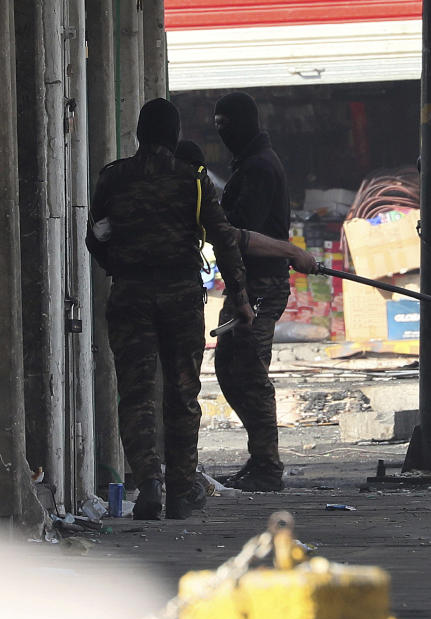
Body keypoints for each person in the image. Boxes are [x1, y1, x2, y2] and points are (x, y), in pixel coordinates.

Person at [87, 101, 315, 520]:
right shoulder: (191, 180)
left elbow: (94, 236)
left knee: (137, 393)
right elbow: (225, 240)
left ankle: (149, 482)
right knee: (182, 393)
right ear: (175, 137)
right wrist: (242, 298)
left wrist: (120, 267)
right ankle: (179, 491)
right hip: (180, 298)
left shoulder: (113, 178)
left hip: (131, 296)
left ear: (139, 135)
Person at [213, 92, 293, 492]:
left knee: (249, 370)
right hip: (245, 283)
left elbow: (242, 232)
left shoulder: (259, 168)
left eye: (226, 123)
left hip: (262, 283)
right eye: (217, 125)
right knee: (228, 367)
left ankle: (268, 465)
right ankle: (259, 457)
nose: (222, 132)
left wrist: (213, 217)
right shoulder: (249, 164)